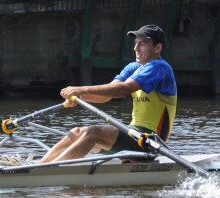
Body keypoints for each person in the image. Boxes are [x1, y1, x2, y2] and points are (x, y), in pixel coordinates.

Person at [39, 24, 177, 163]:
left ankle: (50, 169)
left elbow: (123, 89)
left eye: (142, 44)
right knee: (76, 132)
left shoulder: (159, 67)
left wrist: (83, 89)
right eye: (136, 43)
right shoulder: (133, 67)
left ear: (157, 48)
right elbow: (107, 94)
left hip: (152, 141)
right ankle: (40, 165)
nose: (136, 48)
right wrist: (80, 97)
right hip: (134, 133)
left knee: (93, 132)